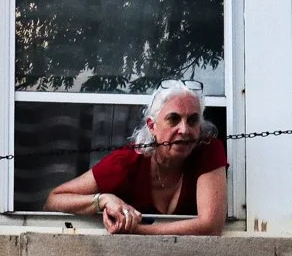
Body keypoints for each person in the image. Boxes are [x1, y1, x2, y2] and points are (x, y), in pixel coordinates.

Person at [44, 80, 228, 236]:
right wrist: (103, 200)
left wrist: (138, 231)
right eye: (173, 119)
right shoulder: (128, 161)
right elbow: (54, 200)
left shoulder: (208, 150)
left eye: (193, 120)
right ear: (152, 126)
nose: (184, 129)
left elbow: (210, 226)